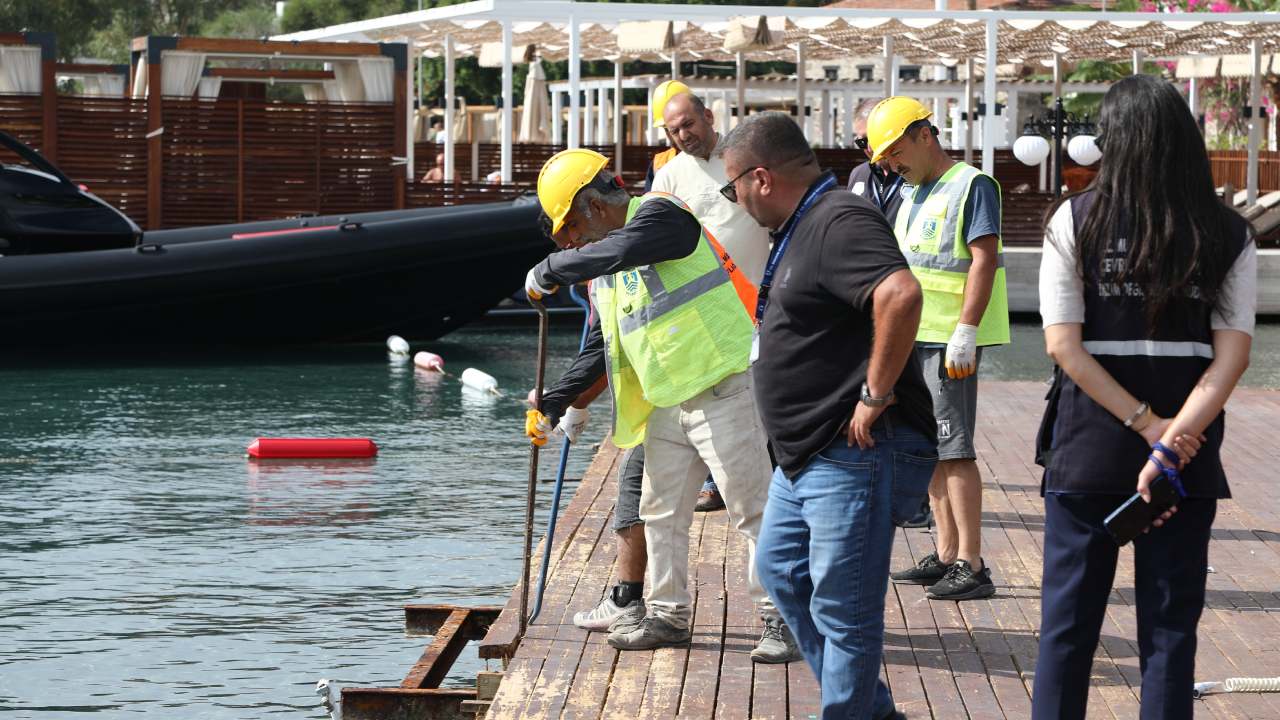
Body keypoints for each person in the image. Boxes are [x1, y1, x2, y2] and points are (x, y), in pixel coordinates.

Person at [1032, 74, 1256, 720]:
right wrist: (1174, 437)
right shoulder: (1227, 234)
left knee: (1068, 630)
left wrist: (1145, 424)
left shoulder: (1073, 220)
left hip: (1088, 450)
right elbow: (1233, 356)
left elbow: (1063, 347)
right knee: (1168, 634)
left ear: (1116, 142)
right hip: (1184, 462)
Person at [523, 148, 796, 662]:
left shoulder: (662, 215)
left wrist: (554, 266)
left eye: (575, 231)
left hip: (724, 386)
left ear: (596, 206)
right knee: (660, 512)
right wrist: (555, 403)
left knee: (752, 509)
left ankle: (781, 618)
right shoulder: (606, 268)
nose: (578, 243)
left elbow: (626, 246)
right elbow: (601, 351)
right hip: (668, 401)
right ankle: (668, 615)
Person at [717, 111, 936, 720]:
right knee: (784, 576)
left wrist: (874, 394)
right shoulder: (802, 223)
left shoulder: (838, 219)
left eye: (732, 186)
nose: (734, 200)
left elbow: (901, 293)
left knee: (845, 608)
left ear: (760, 177)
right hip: (805, 455)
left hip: (852, 450)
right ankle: (873, 713)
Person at [872, 96, 1010, 601]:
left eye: (895, 151)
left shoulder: (972, 186)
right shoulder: (912, 191)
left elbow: (982, 260)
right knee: (930, 448)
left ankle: (972, 563)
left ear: (923, 135)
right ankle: (947, 552)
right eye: (884, 158)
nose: (891, 164)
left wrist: (966, 330)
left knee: (955, 449)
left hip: (948, 340)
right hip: (914, 335)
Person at [655, 91, 773, 515]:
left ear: (708, 115)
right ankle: (716, 479)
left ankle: (766, 479)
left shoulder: (744, 154)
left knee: (761, 395)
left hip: (759, 299)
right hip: (702, 311)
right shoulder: (669, 177)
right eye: (674, 130)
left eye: (689, 124)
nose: (683, 135)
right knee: (713, 398)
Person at [847, 98, 905, 225]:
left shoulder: (916, 173)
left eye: (874, 137)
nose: (870, 148)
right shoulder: (858, 175)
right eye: (862, 141)